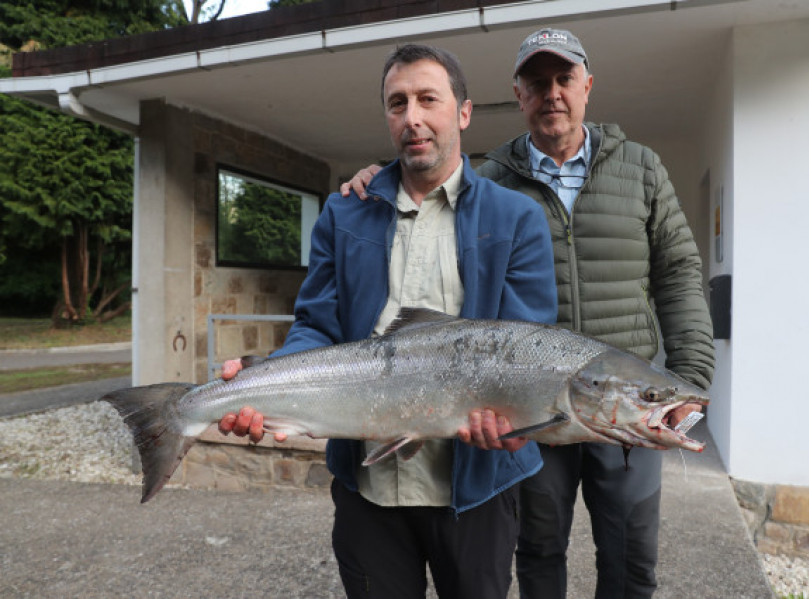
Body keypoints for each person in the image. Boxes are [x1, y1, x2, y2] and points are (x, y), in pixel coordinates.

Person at [340, 28, 715, 599]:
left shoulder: (640, 169)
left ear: (587, 85)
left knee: (631, 557)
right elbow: (429, 183)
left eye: (565, 79)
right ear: (518, 95)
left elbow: (680, 274)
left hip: (626, 395)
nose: (553, 93)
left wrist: (684, 382)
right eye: (537, 83)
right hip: (528, 399)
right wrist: (374, 178)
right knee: (540, 549)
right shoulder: (491, 179)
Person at [217, 43, 558, 599]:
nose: (413, 117)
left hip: (475, 490)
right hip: (368, 489)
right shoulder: (344, 211)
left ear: (463, 112)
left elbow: (527, 349)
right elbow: (316, 326)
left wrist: (520, 423)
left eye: (429, 99)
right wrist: (268, 378)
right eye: (397, 104)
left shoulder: (516, 217)